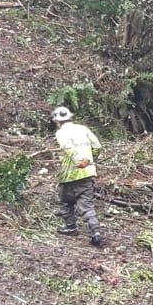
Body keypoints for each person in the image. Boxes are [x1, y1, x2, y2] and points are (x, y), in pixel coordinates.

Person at [51, 105, 105, 246]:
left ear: (57, 121)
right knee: (87, 205)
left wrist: (79, 162)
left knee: (65, 201)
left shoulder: (61, 133)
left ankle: (71, 227)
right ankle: (95, 231)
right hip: (87, 173)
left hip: (70, 174)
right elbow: (97, 146)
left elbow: (68, 148)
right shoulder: (83, 129)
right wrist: (91, 160)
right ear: (70, 117)